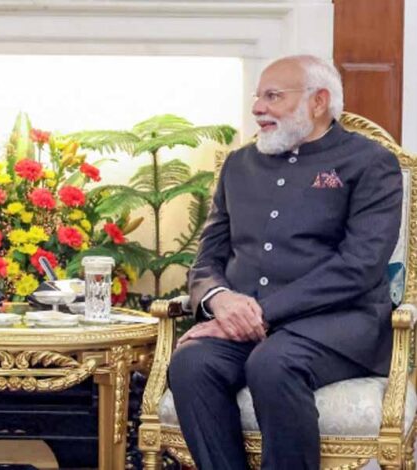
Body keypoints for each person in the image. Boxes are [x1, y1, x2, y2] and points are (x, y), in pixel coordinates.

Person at [168, 55, 402, 469]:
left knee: (274, 363)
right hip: (246, 327)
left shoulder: (370, 163)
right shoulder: (239, 165)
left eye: (273, 96)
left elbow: (360, 265)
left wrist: (258, 313)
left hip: (338, 327)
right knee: (192, 363)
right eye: (258, 97)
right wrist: (219, 299)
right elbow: (208, 255)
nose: (258, 108)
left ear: (318, 101)